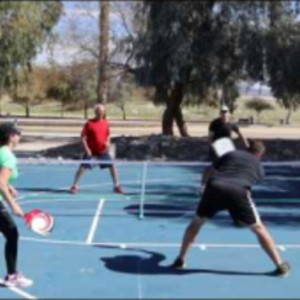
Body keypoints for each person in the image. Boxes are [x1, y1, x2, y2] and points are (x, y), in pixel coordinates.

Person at [171, 140, 290, 277]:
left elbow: (208, 170)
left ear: (248, 148)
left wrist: (202, 186)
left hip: (214, 186)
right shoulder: (260, 168)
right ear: (260, 155)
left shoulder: (231, 154)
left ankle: (180, 259)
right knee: (258, 228)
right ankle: (280, 265)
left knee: (196, 223)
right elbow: (249, 183)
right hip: (238, 191)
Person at [0, 123, 33, 287]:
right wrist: (14, 206)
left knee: (11, 234)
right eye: (18, 133)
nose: (20, 136)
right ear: (11, 136)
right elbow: (0, 182)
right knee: (12, 233)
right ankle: (12, 275)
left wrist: (9, 186)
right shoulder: (8, 156)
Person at [70, 104, 124, 194]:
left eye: (102, 112)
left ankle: (116, 186)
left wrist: (108, 143)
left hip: (102, 151)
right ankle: (74, 186)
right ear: (95, 112)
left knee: (112, 166)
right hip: (91, 152)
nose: (100, 113)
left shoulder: (106, 123)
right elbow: (83, 137)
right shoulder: (89, 123)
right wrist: (87, 149)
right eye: (99, 111)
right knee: (82, 168)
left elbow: (108, 135)